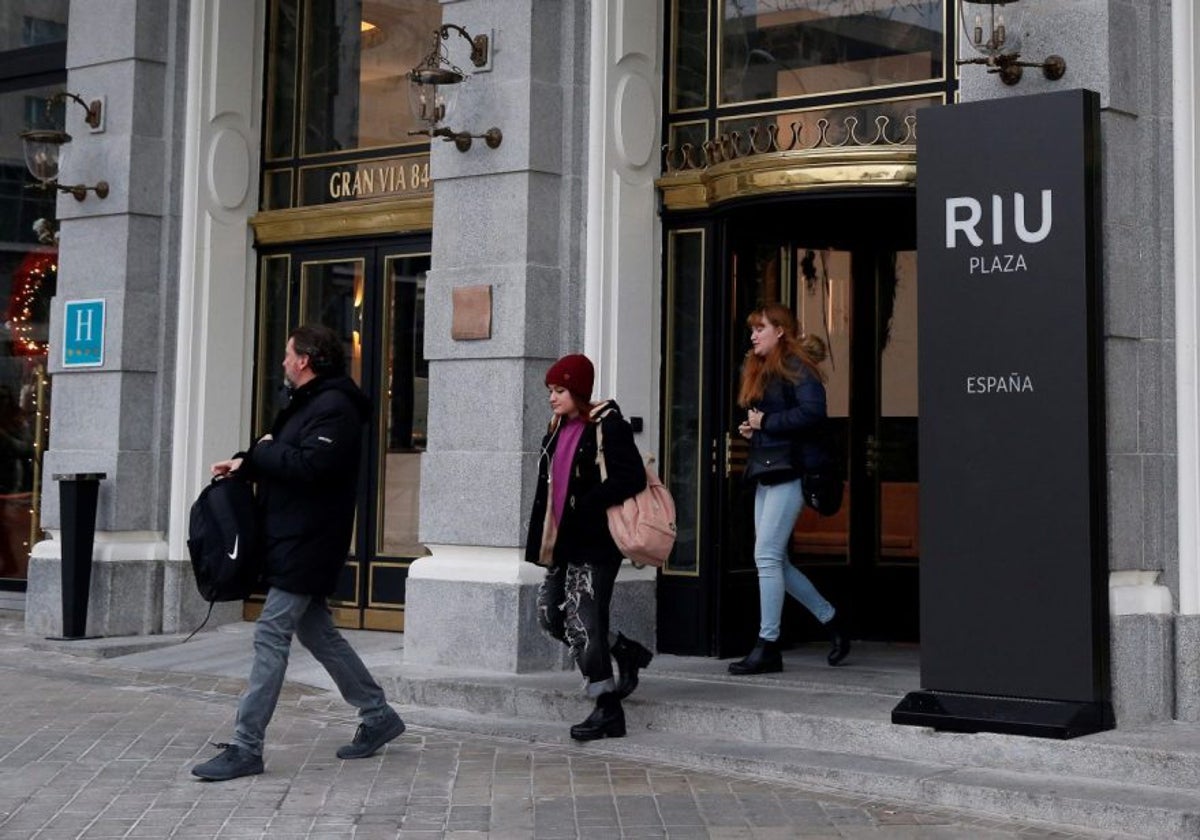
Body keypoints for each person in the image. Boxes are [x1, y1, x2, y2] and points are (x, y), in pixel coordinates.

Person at [192, 324, 404, 781]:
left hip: (308, 541)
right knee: (318, 634)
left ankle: (247, 746)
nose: (284, 362)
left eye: (288, 354)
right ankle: (378, 714)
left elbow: (311, 465)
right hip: (291, 536)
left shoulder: (335, 408)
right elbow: (280, 455)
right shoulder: (307, 404)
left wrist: (264, 455)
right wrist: (245, 462)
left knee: (270, 634)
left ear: (305, 359)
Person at [525, 353, 654, 741]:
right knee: (551, 616)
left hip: (596, 544)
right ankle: (623, 650)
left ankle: (607, 708)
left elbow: (631, 477)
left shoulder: (606, 426)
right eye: (550, 390)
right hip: (562, 542)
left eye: (560, 390)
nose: (552, 397)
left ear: (578, 391)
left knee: (582, 622)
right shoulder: (556, 426)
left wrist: (588, 502)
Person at [729, 303, 850, 675]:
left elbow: (814, 412)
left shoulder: (797, 366)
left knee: (765, 556)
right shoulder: (765, 369)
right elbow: (784, 419)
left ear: (780, 330)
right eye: (752, 329)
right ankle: (833, 622)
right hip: (768, 469)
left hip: (792, 472)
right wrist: (757, 428)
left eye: (760, 328)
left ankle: (768, 645)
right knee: (774, 559)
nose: (753, 336)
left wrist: (768, 421)